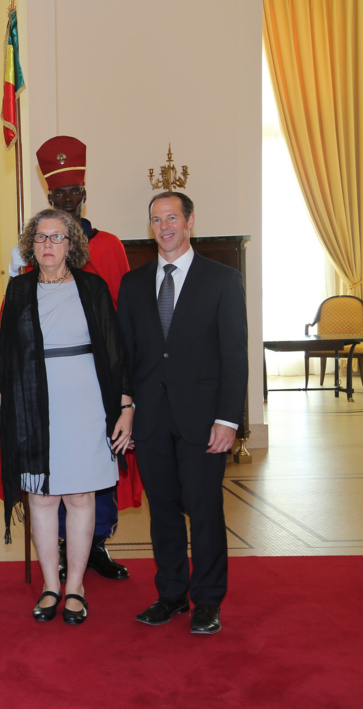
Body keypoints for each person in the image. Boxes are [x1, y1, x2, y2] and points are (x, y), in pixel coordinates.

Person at [117, 191, 247, 635]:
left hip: (204, 421)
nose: (164, 226)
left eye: (172, 217)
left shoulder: (223, 280)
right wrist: (127, 409)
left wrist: (229, 420)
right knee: (164, 513)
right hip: (151, 419)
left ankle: (208, 601)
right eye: (156, 219)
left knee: (206, 511)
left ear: (190, 220)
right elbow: (126, 358)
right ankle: (171, 594)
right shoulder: (133, 285)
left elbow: (235, 356)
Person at [5, 135, 135, 582]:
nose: (68, 199)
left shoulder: (110, 247)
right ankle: (54, 563)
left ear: (83, 194)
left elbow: (121, 327)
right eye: (59, 195)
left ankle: (94, 547)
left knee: (89, 479)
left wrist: (125, 396)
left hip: (94, 386)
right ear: (50, 198)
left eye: (74, 193)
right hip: (41, 394)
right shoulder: (24, 278)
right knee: (47, 484)